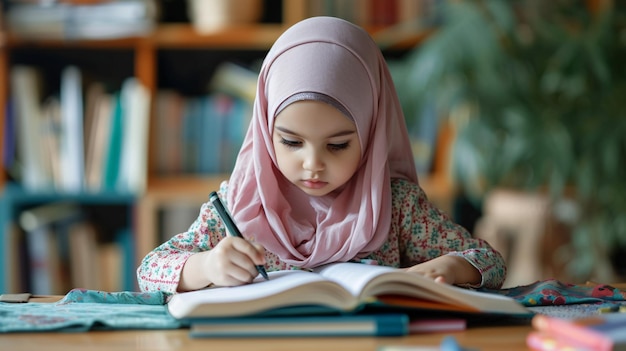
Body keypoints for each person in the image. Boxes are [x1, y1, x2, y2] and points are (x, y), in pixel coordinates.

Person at [137, 16, 506, 294]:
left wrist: (450, 268)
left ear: (373, 133)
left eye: (338, 145)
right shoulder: (239, 204)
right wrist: (205, 267)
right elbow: (150, 269)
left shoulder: (395, 205)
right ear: (266, 133)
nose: (312, 164)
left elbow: (488, 261)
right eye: (291, 142)